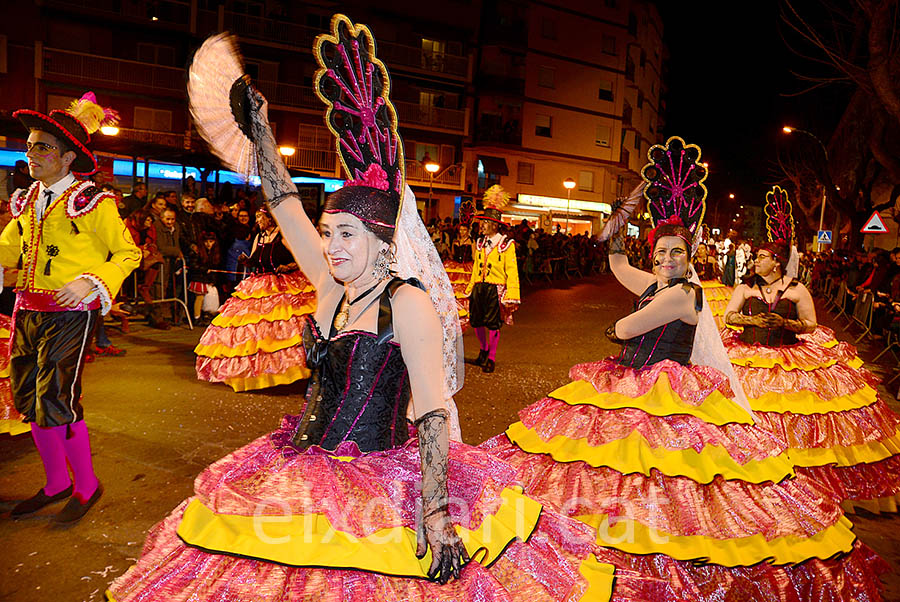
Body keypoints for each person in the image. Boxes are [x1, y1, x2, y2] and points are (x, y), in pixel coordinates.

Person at [110, 20, 618, 602]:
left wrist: (435, 514)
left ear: (382, 239)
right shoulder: (330, 285)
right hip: (300, 462)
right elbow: (283, 205)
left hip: (378, 478)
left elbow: (430, 409)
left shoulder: (408, 303)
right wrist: (262, 132)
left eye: (347, 234)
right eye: (329, 233)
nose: (333, 246)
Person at [482, 138, 887, 600]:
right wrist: (623, 214)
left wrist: (618, 326)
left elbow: (624, 326)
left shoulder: (681, 293)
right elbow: (616, 262)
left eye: (675, 253)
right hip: (629, 381)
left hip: (664, 391)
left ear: (690, 256)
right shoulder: (657, 282)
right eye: (659, 253)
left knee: (659, 480)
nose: (665, 260)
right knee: (610, 473)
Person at [1, 92, 141, 522]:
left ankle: (85, 485)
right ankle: (55, 483)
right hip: (27, 312)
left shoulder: (92, 202)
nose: (31, 154)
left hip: (70, 316)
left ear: (66, 158)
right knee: (27, 398)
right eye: (29, 146)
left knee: (58, 400)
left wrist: (90, 282)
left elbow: (128, 254)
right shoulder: (26, 201)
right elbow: (8, 250)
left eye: (41, 146)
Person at [723, 186, 900, 513]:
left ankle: (795, 483)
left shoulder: (797, 289)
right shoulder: (746, 285)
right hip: (747, 352)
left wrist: (787, 325)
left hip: (788, 356)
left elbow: (810, 325)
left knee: (794, 417)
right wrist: (750, 320)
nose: (755, 261)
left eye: (761, 257)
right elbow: (728, 315)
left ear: (776, 263)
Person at [194, 208, 316, 391]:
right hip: (259, 282)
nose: (258, 220)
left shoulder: (283, 235)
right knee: (251, 327)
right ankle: (254, 372)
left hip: (283, 283)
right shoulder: (259, 237)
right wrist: (246, 261)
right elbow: (254, 259)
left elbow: (302, 256)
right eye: (257, 217)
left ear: (271, 219)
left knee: (282, 324)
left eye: (261, 217)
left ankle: (287, 370)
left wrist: (289, 266)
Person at [464, 185, 520, 373]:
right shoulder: (480, 243)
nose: (482, 225)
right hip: (480, 287)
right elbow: (475, 268)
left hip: (495, 290)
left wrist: (512, 293)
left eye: (485, 223)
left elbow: (512, 270)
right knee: (477, 321)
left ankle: (492, 357)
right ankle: (483, 350)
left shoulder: (506, 245)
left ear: (495, 225)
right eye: (482, 222)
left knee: (493, 324)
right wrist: (470, 287)